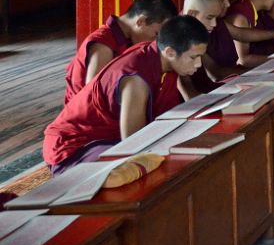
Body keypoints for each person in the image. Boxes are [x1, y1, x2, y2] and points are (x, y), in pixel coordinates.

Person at [43, 16, 210, 174]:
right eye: (194, 57)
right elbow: (133, 144)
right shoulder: (135, 80)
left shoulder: (161, 61)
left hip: (109, 141)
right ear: (170, 52)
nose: (198, 64)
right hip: (73, 147)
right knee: (136, 168)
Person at [63, 0, 176, 105]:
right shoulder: (103, 45)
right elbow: (93, 96)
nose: (154, 42)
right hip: (86, 116)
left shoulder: (128, 39)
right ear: (140, 21)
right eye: (156, 34)